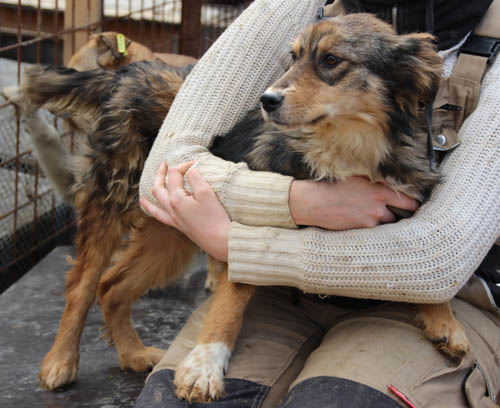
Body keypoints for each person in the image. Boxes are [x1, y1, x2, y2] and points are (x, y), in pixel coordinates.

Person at [136, 0, 500, 406]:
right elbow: (163, 174)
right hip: (282, 291)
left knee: (333, 400)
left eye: (331, 62)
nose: (279, 87)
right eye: (293, 60)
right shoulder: (292, 8)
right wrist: (298, 203)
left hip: (443, 293)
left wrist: (236, 246)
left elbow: (438, 259)